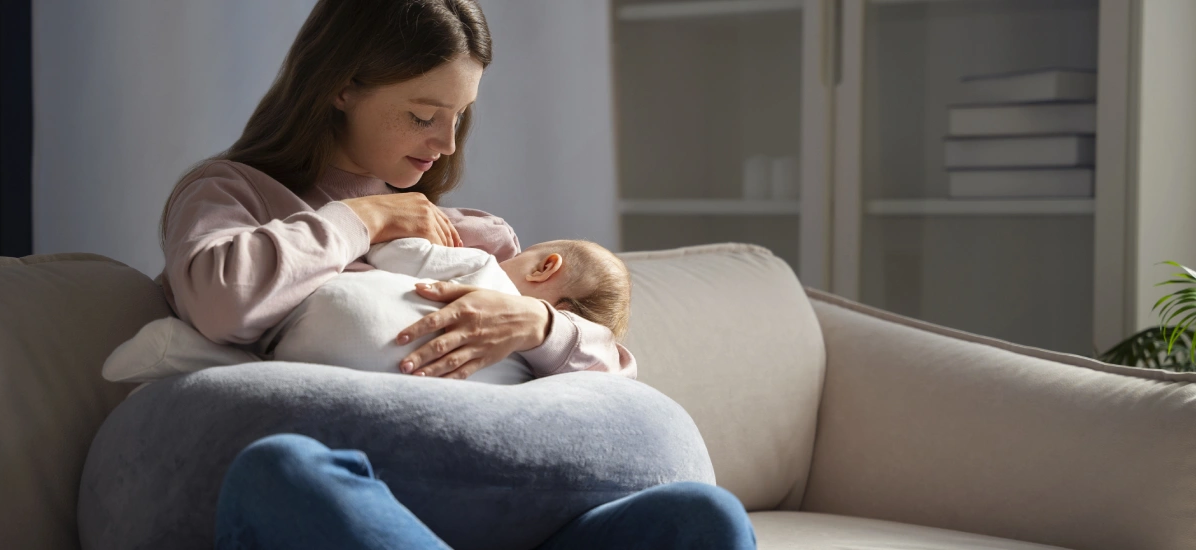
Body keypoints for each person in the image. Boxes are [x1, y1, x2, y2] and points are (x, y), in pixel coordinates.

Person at [155, 0, 756, 548]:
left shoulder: (475, 238)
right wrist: (360, 219)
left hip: (506, 502)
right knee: (282, 474)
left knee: (703, 516)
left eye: (460, 116)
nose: (445, 143)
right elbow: (220, 299)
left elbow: (610, 378)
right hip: (372, 499)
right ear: (341, 88)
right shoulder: (235, 194)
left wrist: (538, 324)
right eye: (423, 115)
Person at [268, 238, 632, 385]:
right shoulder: (529, 374)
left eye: (522, 255)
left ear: (544, 267)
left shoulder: (482, 266)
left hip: (299, 341)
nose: (509, 256)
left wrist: (394, 231)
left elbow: (390, 252)